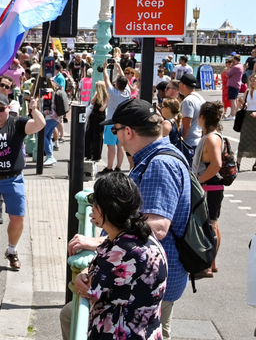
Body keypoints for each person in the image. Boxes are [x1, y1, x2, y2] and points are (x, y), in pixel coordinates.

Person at [68, 99, 191, 339]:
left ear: (128, 131)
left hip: (146, 278)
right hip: (145, 275)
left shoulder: (159, 164)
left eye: (114, 130)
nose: (114, 136)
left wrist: (101, 239)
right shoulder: (160, 155)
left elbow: (158, 225)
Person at [64, 173, 167, 340]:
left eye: (93, 201)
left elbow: (87, 289)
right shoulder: (141, 235)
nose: (91, 206)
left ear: (103, 210)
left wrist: (80, 277)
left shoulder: (124, 251)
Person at [0, 93, 45, 271]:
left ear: (8, 108)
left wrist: (34, 110)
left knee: (17, 217)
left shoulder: (18, 123)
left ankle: (12, 251)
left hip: (13, 179)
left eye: (1, 109)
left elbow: (40, 124)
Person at [192, 101, 225, 278]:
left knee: (210, 225)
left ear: (202, 117)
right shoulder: (212, 135)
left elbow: (216, 164)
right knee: (212, 223)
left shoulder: (212, 137)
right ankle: (210, 263)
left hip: (209, 187)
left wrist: (199, 181)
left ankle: (208, 264)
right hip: (211, 186)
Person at [101, 73, 131, 174]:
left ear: (116, 84)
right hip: (123, 122)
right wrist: (118, 66)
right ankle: (118, 167)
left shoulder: (113, 93)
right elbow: (124, 82)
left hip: (111, 122)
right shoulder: (127, 93)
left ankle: (109, 167)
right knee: (120, 145)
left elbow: (106, 79)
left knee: (111, 145)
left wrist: (105, 68)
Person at [178, 73, 204, 156]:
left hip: (189, 142)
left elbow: (187, 124)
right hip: (199, 139)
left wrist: (181, 140)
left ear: (182, 85)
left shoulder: (187, 101)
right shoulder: (200, 98)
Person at [84, 81, 108, 163]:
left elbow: (102, 108)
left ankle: (96, 155)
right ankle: (88, 153)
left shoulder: (106, 96)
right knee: (89, 135)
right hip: (93, 117)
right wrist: (97, 94)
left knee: (97, 136)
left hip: (100, 118)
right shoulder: (96, 95)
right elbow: (92, 102)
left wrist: (100, 96)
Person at [237, 75, 256, 171]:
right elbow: (242, 106)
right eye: (251, 80)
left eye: (254, 80)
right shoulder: (248, 92)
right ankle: (238, 163)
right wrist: (240, 102)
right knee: (243, 140)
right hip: (247, 117)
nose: (252, 82)